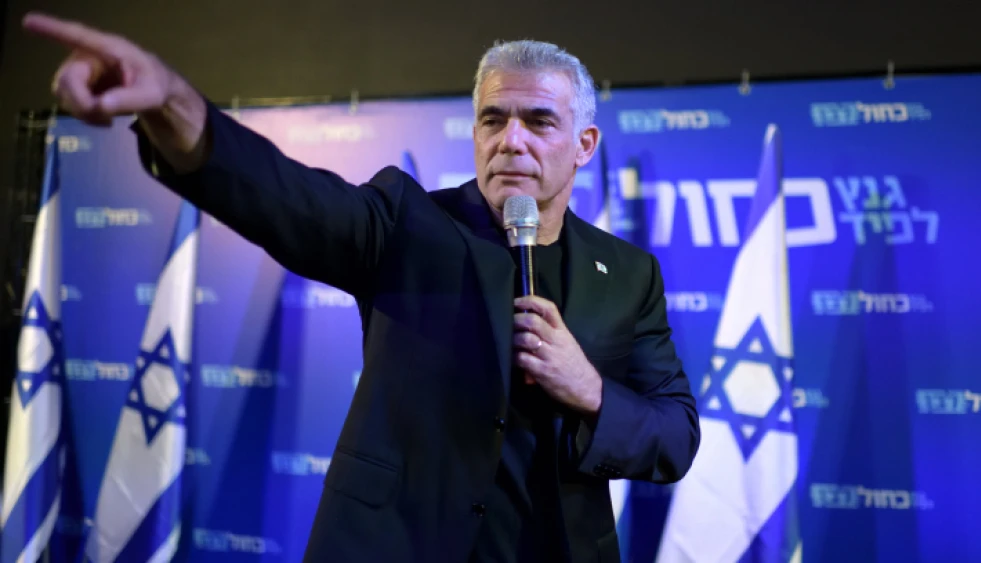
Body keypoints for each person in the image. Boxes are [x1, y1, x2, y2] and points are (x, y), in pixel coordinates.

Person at [24, 12, 700, 563]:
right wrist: (173, 100)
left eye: (538, 121)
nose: (510, 141)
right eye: (493, 120)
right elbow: (287, 198)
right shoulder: (411, 223)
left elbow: (675, 435)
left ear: (583, 144)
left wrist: (589, 389)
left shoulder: (629, 273)